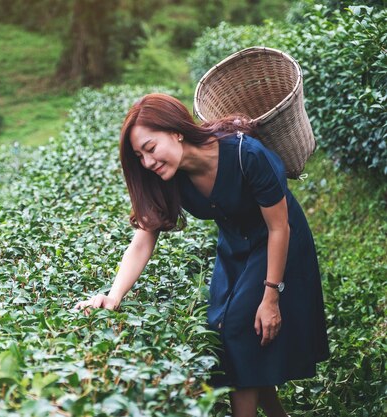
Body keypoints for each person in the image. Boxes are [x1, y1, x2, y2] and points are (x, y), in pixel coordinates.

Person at [74, 93, 329, 417]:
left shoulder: (244, 154)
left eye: (150, 148)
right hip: (235, 249)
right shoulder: (168, 176)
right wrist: (113, 296)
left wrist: (270, 297)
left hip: (278, 243)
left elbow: (280, 228)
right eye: (140, 156)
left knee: (238, 328)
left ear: (176, 131)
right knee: (225, 331)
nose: (148, 163)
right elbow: (142, 240)